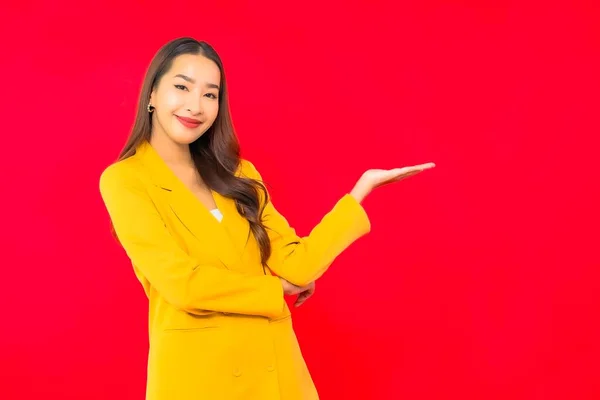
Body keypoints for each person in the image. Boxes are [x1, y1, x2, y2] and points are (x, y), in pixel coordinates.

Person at [99, 37, 435, 400]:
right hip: (199, 378)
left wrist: (360, 193)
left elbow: (297, 263)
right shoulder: (125, 180)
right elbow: (183, 284)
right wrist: (275, 290)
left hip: (274, 371)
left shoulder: (239, 173)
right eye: (182, 87)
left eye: (210, 95)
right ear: (152, 94)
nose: (195, 106)